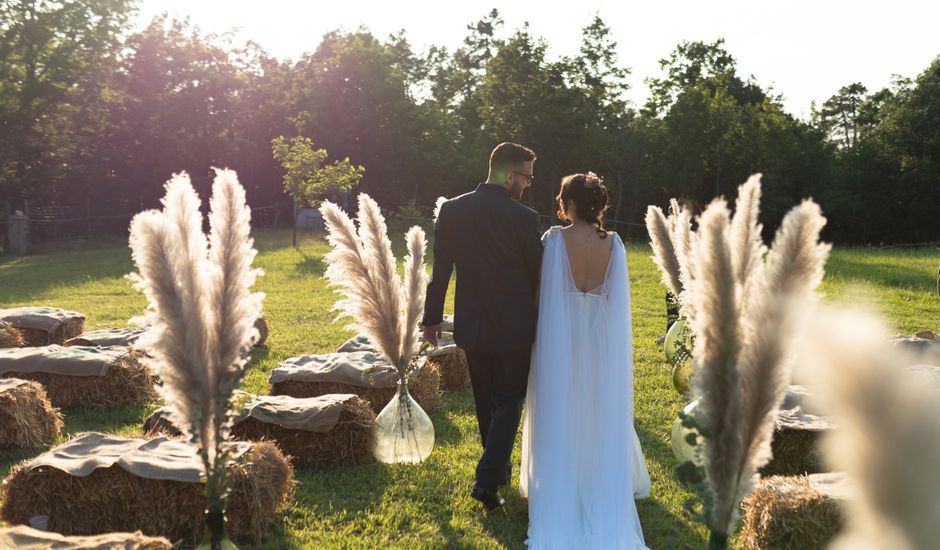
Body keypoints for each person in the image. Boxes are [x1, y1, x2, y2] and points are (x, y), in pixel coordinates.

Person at [520, 172, 651, 548]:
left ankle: (561, 483)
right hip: (597, 341)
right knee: (594, 409)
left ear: (571, 203)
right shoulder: (615, 245)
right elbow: (616, 305)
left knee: (560, 408)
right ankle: (592, 482)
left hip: (559, 338)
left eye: (563, 198)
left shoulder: (555, 240)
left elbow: (542, 297)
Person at [422, 142, 542, 510]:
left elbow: (440, 270)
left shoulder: (452, 210)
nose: (527, 185)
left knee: (486, 400)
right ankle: (488, 480)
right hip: (515, 325)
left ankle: (497, 470)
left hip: (472, 322)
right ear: (509, 177)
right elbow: (538, 275)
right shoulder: (524, 219)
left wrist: (431, 318)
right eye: (526, 178)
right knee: (508, 401)